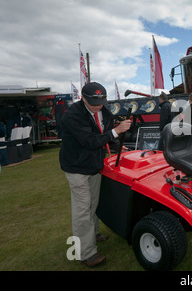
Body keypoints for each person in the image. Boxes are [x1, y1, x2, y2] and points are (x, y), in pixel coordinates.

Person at [59, 82, 131, 267]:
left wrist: (118, 144)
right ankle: (86, 252)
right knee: (82, 210)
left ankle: (92, 234)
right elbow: (90, 141)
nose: (98, 106)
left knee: (93, 204)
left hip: (95, 165)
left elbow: (104, 135)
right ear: (83, 98)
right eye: (94, 102)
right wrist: (117, 131)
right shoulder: (72, 116)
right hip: (76, 168)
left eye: (101, 101)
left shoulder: (104, 112)